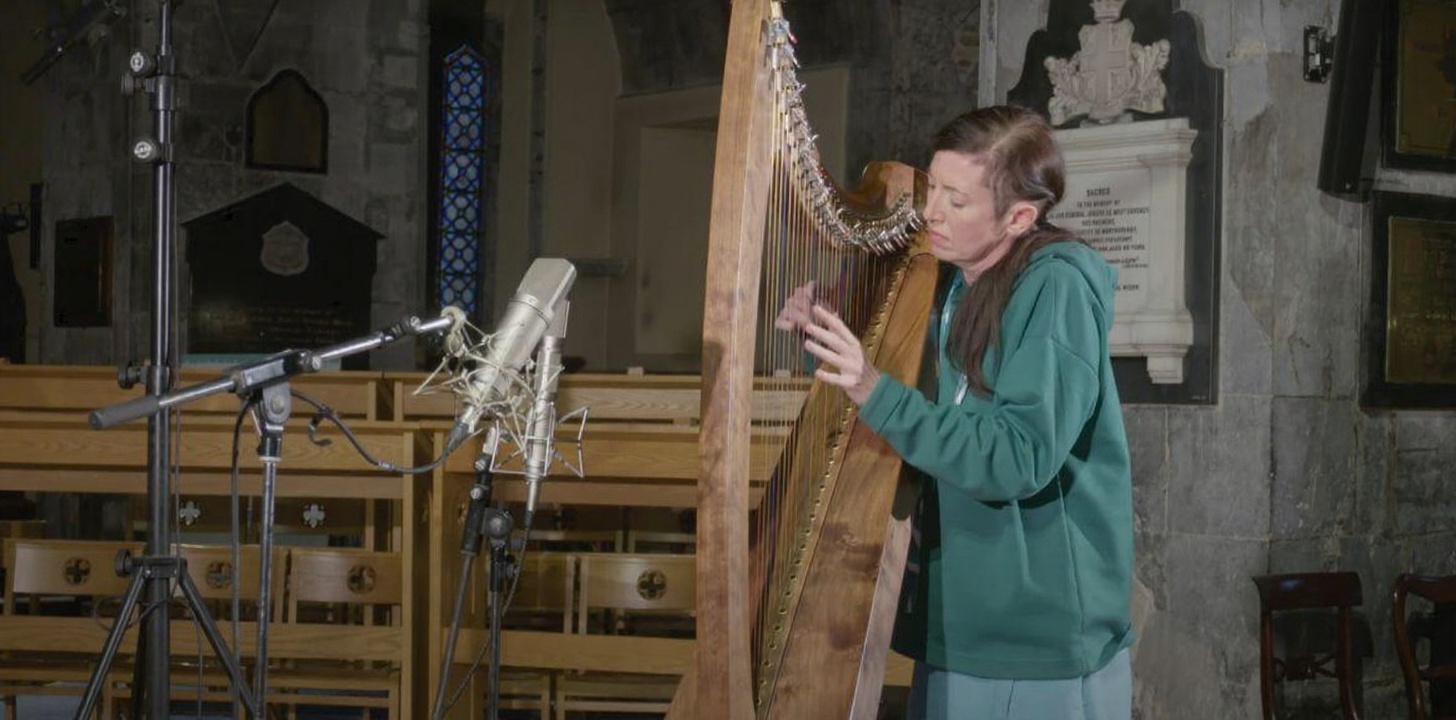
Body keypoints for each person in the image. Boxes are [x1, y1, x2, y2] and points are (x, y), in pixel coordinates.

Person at [777, 105, 1135, 720]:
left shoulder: (1057, 289)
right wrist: (826, 337)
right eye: (933, 188)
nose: (931, 211)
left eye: (957, 200)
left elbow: (1018, 456)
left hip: (1032, 639)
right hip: (958, 617)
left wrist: (874, 387)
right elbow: (914, 405)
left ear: (1020, 216)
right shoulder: (945, 281)